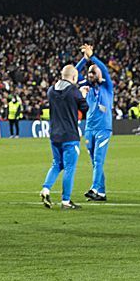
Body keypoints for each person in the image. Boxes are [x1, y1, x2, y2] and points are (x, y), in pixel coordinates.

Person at [39, 64, 88, 210]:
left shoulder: (51, 90)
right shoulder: (74, 91)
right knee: (69, 168)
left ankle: (46, 189)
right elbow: (85, 109)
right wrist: (83, 95)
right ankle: (66, 201)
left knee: (56, 164)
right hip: (70, 135)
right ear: (74, 77)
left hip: (54, 135)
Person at [76, 44, 114, 202]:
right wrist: (84, 60)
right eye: (89, 71)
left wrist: (93, 58)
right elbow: (73, 74)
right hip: (89, 128)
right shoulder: (86, 86)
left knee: (99, 160)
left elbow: (103, 69)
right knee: (94, 161)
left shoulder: (107, 86)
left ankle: (94, 188)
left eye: (94, 71)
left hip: (104, 129)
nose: (91, 73)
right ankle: (101, 193)